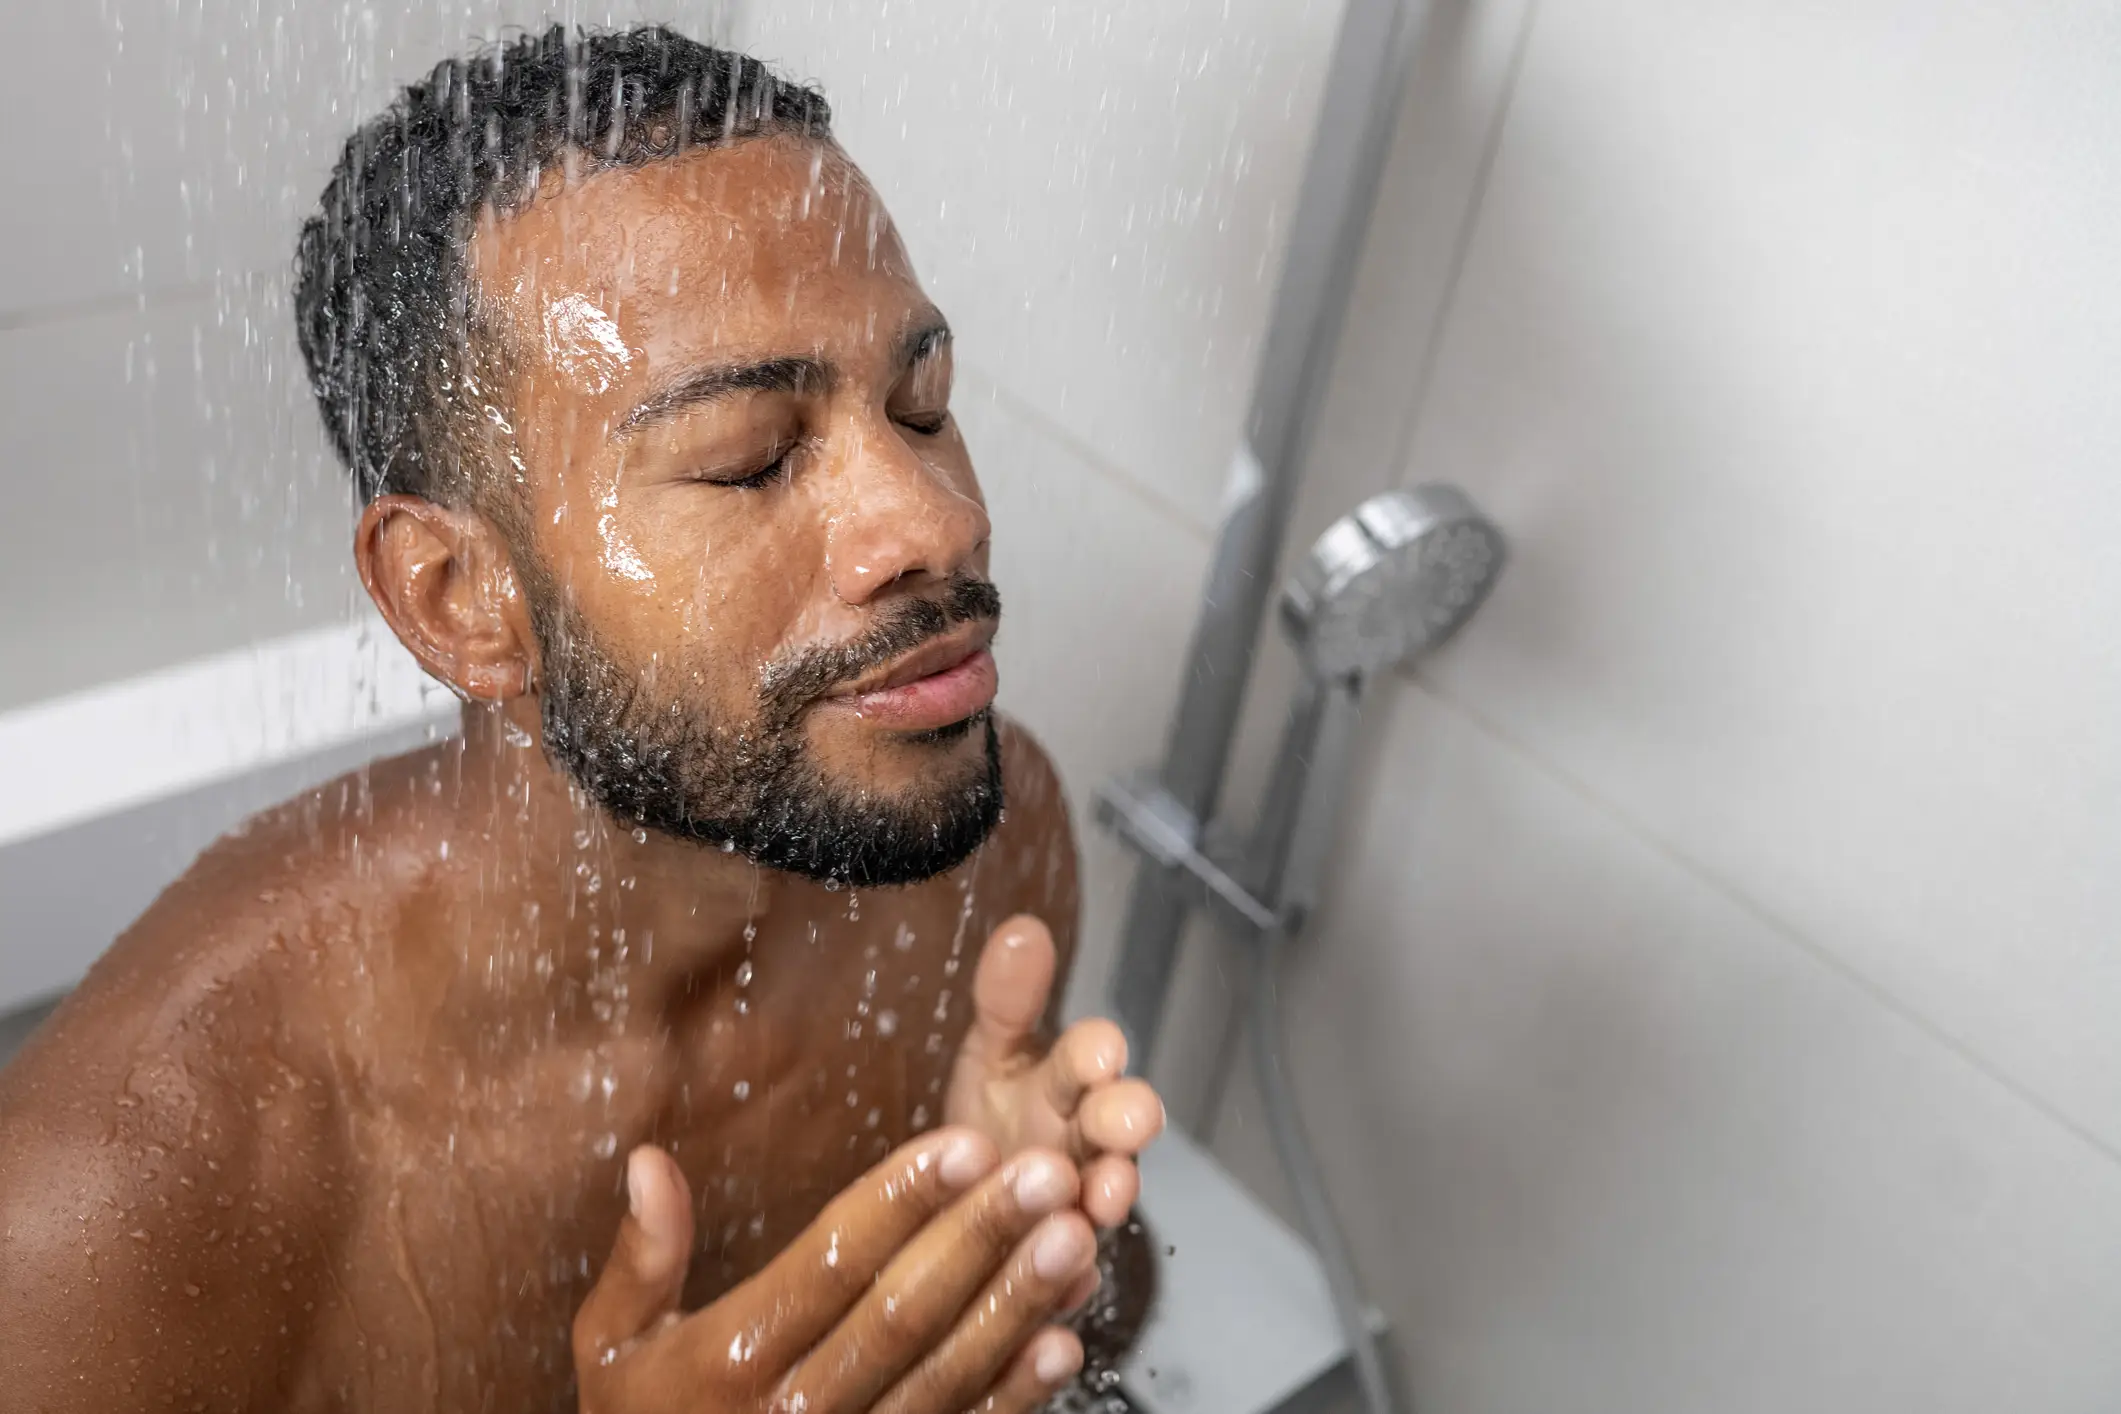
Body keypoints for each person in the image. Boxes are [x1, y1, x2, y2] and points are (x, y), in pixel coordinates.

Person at [0, 26, 1166, 1414]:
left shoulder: (975, 851)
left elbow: (1109, 1315)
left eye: (921, 407)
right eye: (749, 461)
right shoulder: (127, 1203)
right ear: (458, 598)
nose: (941, 520)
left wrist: (1020, 1267)